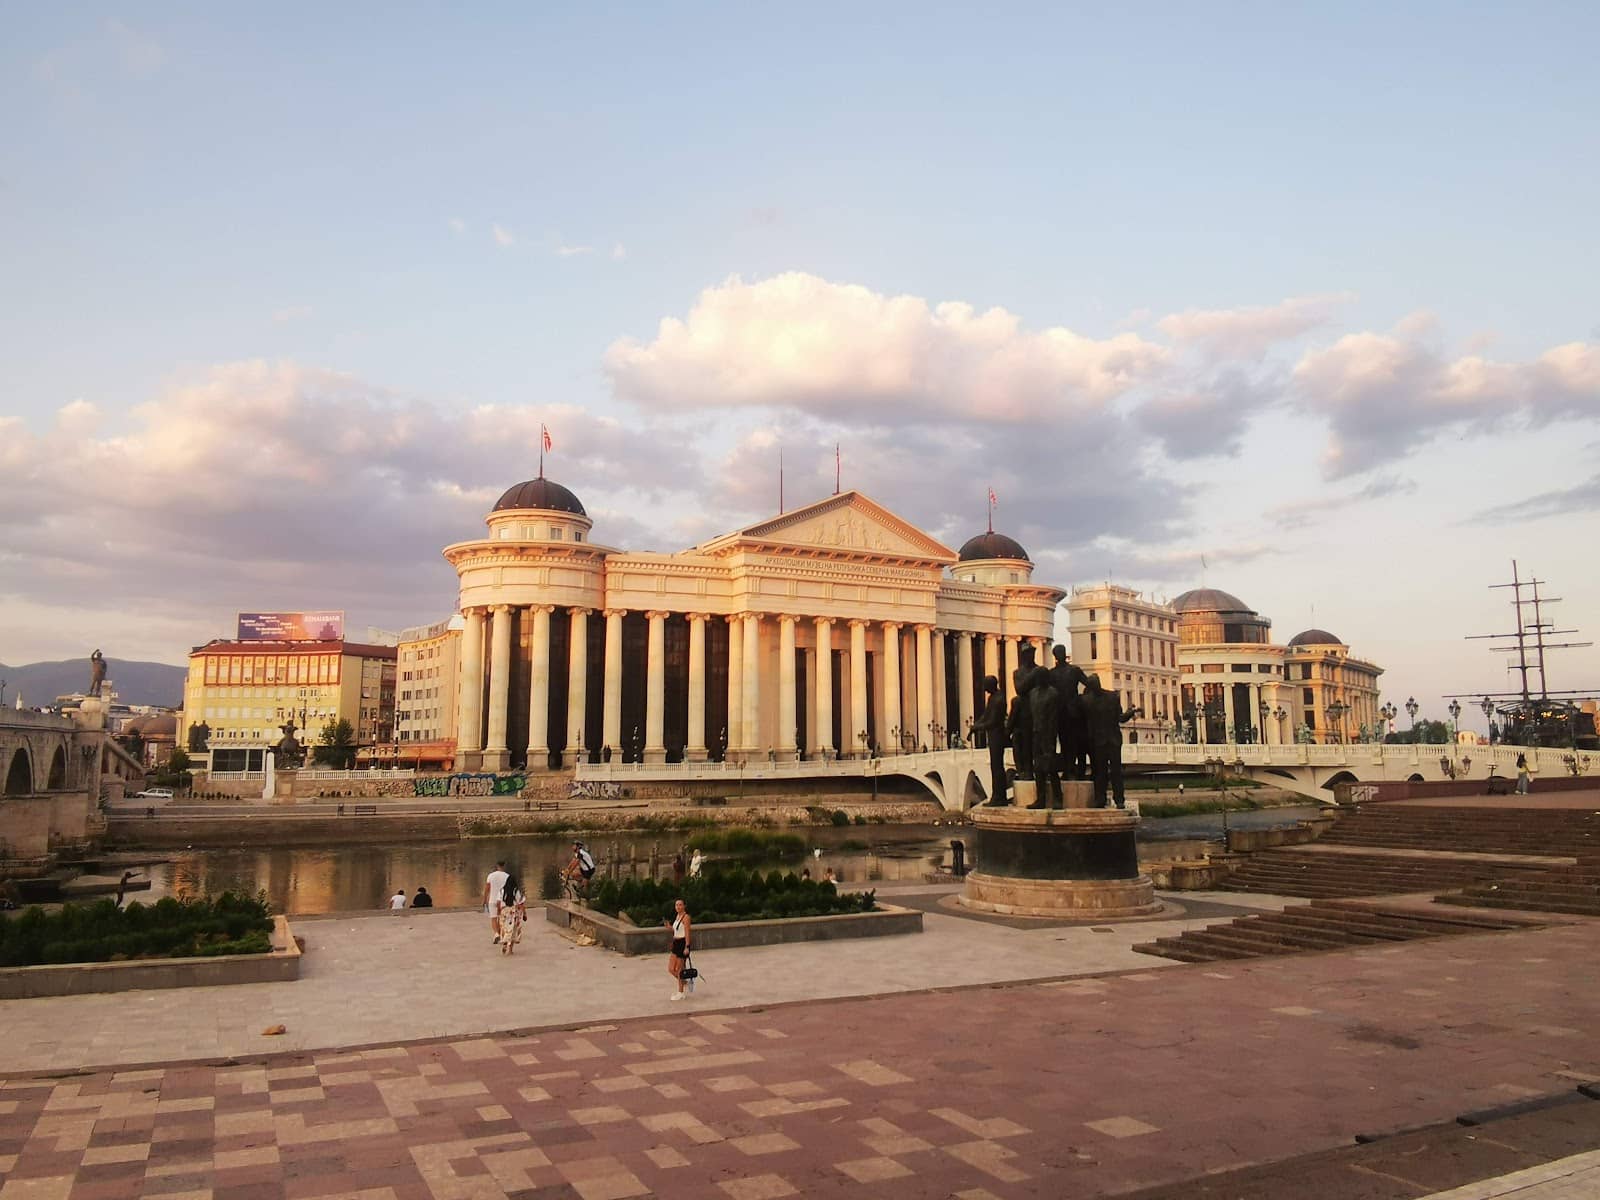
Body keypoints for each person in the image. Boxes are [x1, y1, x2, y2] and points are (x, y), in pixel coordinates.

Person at [1049, 646, 1090, 780]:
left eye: (1062, 652)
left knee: (1074, 742)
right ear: (1055, 656)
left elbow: (1089, 684)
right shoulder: (1051, 673)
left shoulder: (1074, 670)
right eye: (1058, 653)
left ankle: (1072, 769)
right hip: (1059, 712)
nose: (1061, 655)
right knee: (1064, 741)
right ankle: (1067, 769)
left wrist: (1083, 699)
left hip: (1073, 711)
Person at [972, 674, 1009, 807]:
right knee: (995, 766)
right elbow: (986, 715)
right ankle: (998, 795)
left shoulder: (999, 699)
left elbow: (993, 721)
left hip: (998, 735)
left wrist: (979, 726)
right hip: (993, 735)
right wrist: (976, 725)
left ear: (991, 685)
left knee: (997, 767)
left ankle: (1000, 797)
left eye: (985, 685)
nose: (984, 688)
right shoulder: (993, 698)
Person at [666, 898, 692, 1000]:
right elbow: (676, 930)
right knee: (671, 968)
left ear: (684, 906)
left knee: (679, 969)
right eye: (676, 905)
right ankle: (684, 981)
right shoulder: (677, 916)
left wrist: (687, 946)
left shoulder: (686, 917)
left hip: (682, 943)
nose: (678, 907)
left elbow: (687, 933)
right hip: (676, 942)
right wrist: (669, 927)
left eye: (680, 905)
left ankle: (680, 992)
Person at [499, 872, 527, 954]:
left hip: (504, 911)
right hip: (514, 912)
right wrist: (524, 913)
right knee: (513, 930)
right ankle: (510, 949)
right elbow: (521, 903)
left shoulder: (502, 890)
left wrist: (498, 912)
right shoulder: (516, 891)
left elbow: (498, 902)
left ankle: (504, 942)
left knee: (505, 928)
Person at [483, 860, 509, 943]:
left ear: (497, 866)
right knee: (502, 919)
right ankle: (502, 935)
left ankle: (496, 934)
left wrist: (484, 899)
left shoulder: (491, 876)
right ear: (504, 866)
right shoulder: (507, 876)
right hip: (503, 901)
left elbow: (487, 888)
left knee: (493, 918)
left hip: (492, 900)